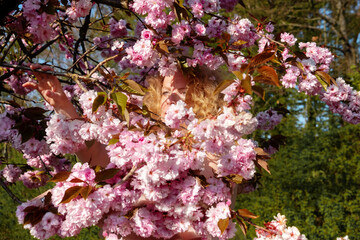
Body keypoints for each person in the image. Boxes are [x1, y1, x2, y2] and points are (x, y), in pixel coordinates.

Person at [24, 64, 228, 240]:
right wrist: (63, 106)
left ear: (203, 96)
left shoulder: (212, 147)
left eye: (182, 91)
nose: (172, 99)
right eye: (165, 92)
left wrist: (109, 200)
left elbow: (195, 192)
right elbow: (95, 157)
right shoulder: (141, 136)